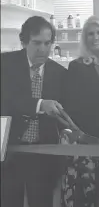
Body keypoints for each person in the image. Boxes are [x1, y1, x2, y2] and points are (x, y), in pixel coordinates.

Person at [0, 16, 67, 207]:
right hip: (10, 153)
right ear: (23, 42)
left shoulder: (60, 73)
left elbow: (64, 111)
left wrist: (67, 131)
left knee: (42, 202)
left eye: (47, 43)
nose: (43, 49)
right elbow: (5, 100)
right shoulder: (5, 65)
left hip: (43, 156)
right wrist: (39, 105)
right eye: (36, 43)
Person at [60, 15, 99, 207]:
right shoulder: (76, 67)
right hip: (84, 145)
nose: (96, 37)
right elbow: (71, 106)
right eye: (90, 34)